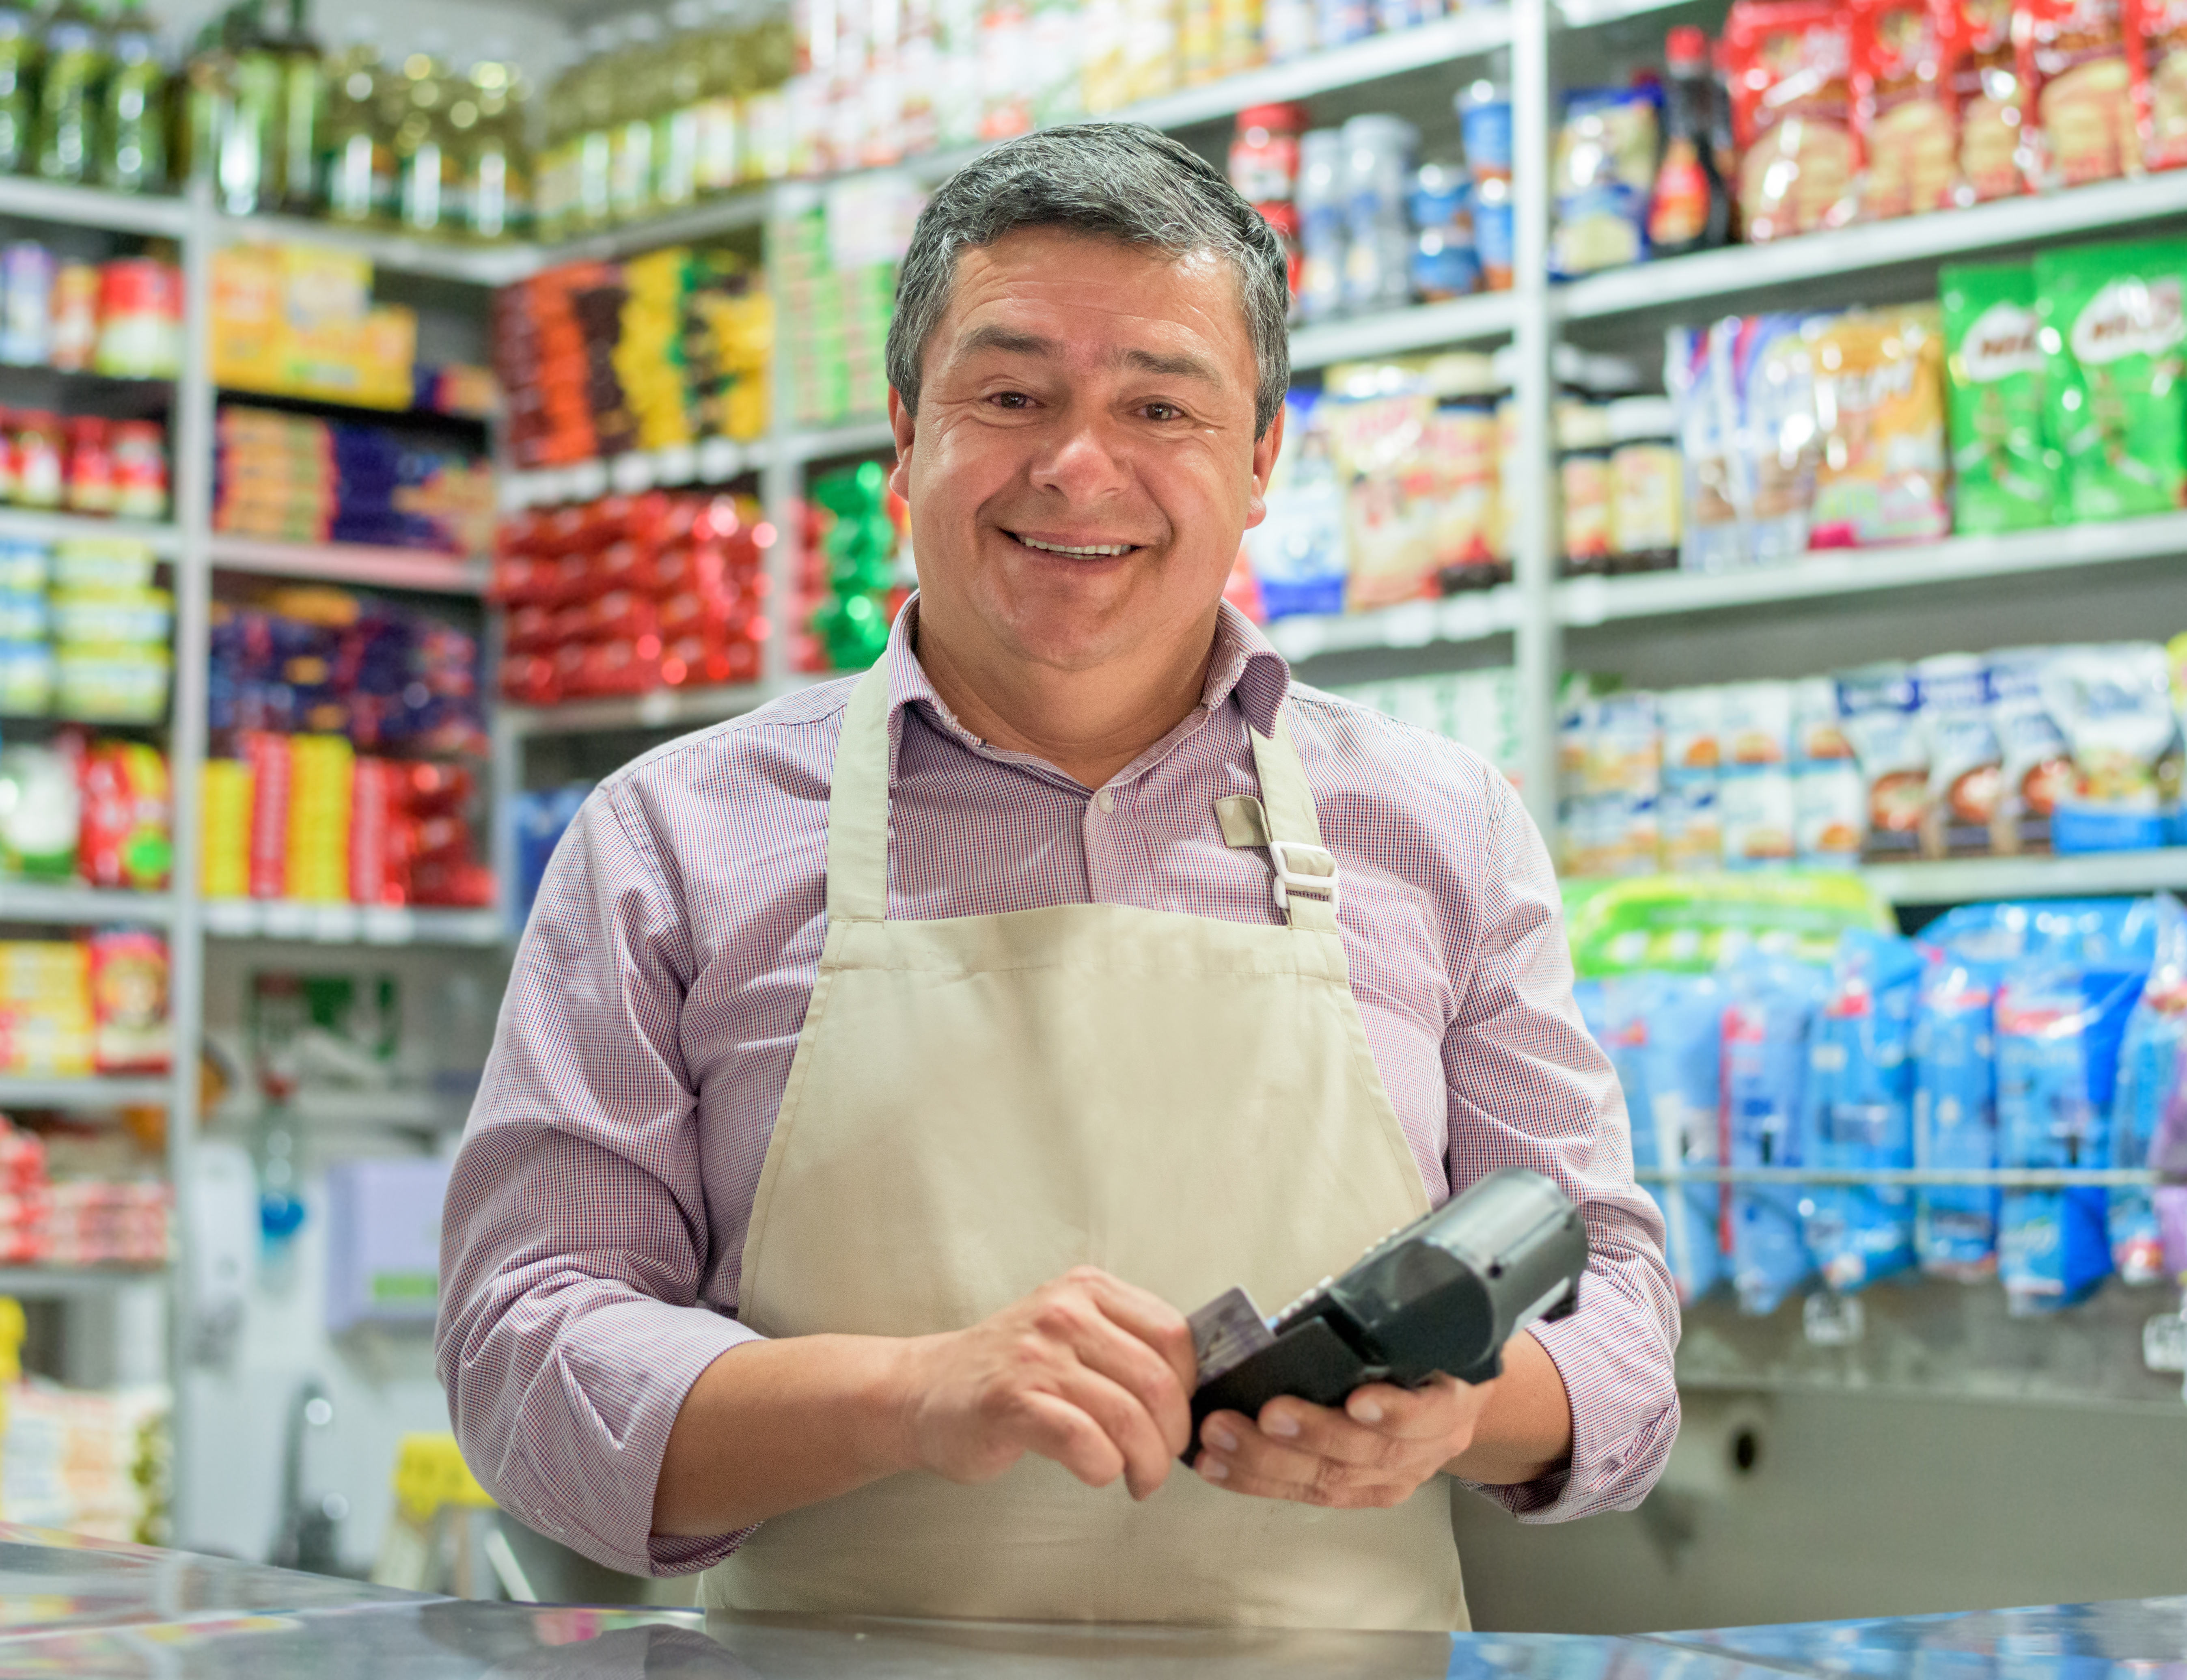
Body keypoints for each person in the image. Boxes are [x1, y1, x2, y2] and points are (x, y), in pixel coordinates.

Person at [437, 122, 1678, 1632]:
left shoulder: (1442, 827)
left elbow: (1610, 1293)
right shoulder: (671, 841)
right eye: (1011, 395)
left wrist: (1464, 1412)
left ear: (1263, 459)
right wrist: (908, 1396)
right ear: (905, 436)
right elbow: (523, 1355)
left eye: (1161, 404)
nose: (1080, 468)